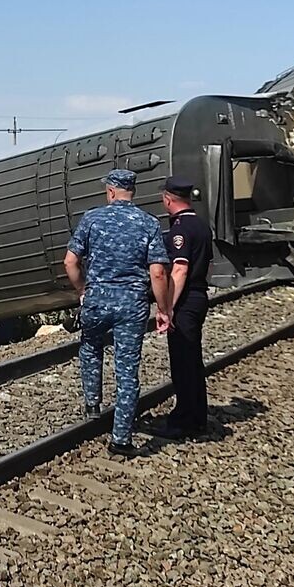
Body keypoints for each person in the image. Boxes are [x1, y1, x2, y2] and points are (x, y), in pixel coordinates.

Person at [64, 168, 172, 456]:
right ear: (131, 191)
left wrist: (82, 290)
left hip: (97, 300)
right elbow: (159, 272)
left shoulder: (92, 219)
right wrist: (163, 309)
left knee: (90, 349)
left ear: (110, 191)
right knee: (127, 369)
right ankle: (121, 439)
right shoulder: (148, 223)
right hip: (131, 305)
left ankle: (92, 404)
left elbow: (70, 262)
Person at [145, 176, 214, 438]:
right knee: (193, 360)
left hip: (185, 300)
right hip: (198, 295)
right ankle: (197, 416)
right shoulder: (202, 225)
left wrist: (167, 308)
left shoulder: (180, 230)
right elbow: (206, 265)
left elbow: (180, 269)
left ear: (168, 199)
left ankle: (184, 420)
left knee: (183, 362)